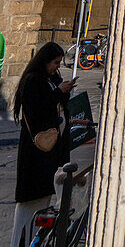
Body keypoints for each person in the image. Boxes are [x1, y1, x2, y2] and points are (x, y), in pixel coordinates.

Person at [11, 41, 75, 247]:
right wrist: (58, 92)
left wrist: (63, 92)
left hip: (48, 156)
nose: (58, 66)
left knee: (43, 203)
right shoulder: (33, 81)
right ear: (45, 61)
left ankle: (34, 240)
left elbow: (56, 108)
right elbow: (37, 110)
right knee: (29, 205)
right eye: (55, 63)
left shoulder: (49, 79)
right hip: (35, 154)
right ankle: (21, 242)